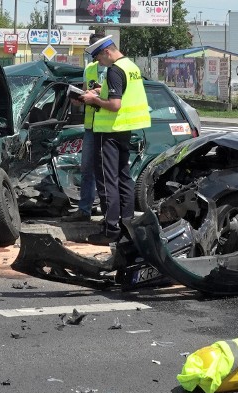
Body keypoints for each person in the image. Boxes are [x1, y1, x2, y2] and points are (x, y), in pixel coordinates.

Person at [79, 35, 151, 245]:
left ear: (107, 52)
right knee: (124, 178)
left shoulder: (114, 70)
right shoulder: (131, 67)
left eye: (99, 57)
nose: (98, 62)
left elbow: (115, 104)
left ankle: (110, 230)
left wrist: (93, 99)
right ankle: (127, 226)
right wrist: (98, 92)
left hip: (109, 131)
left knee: (107, 181)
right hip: (124, 130)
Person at [62, 33, 107, 222]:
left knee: (107, 171)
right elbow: (84, 94)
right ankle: (85, 210)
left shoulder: (116, 69)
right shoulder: (89, 69)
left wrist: (98, 92)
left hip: (110, 128)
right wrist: (78, 99)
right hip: (91, 127)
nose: (92, 54)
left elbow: (117, 98)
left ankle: (109, 213)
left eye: (95, 50)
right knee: (87, 169)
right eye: (90, 50)